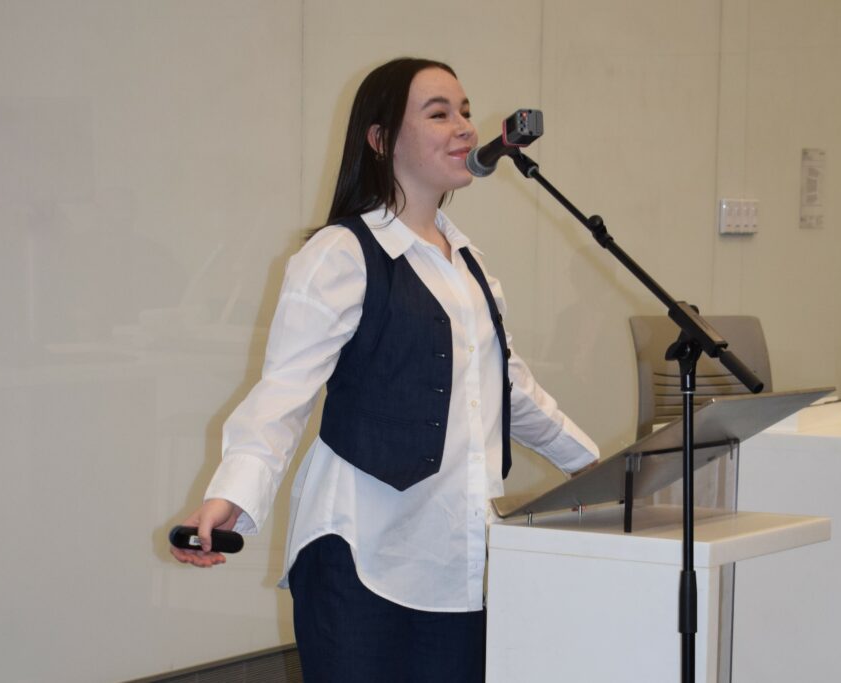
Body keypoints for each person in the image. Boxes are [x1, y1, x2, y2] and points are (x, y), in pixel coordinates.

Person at [169, 57, 599, 682]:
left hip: (462, 559)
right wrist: (231, 494)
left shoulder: (471, 265)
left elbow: (509, 390)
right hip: (361, 555)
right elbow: (284, 392)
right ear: (380, 140)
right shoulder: (339, 254)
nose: (465, 127)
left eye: (467, 111)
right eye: (438, 112)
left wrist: (600, 469)